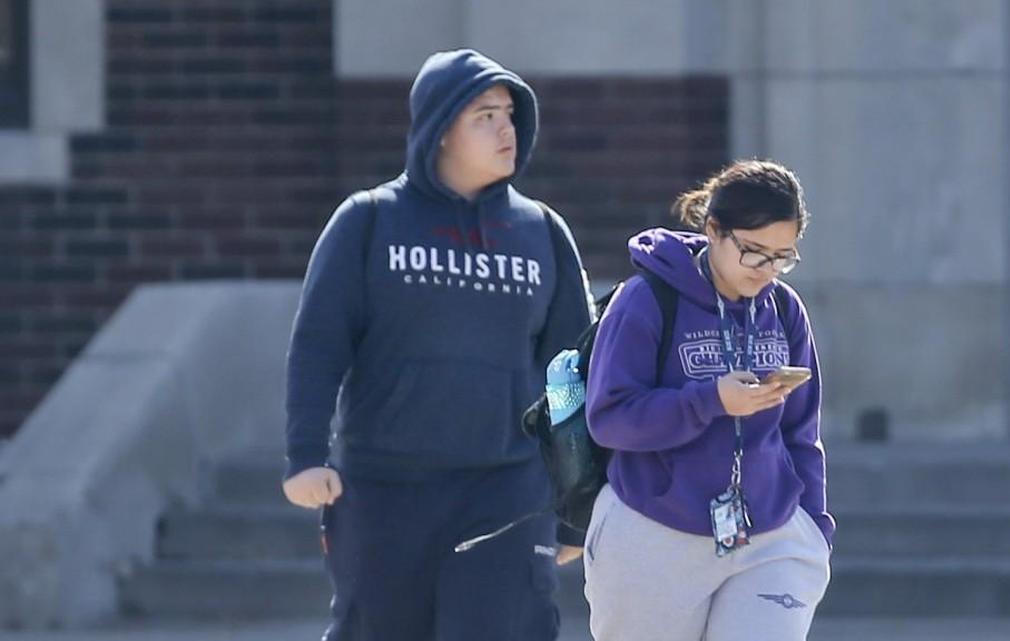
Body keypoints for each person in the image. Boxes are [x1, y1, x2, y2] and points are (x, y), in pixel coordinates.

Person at [282, 49, 593, 641]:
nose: (507, 130)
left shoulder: (544, 232)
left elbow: (571, 377)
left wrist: (577, 500)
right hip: (384, 489)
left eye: (509, 114)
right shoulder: (368, 221)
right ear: (440, 129)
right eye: (485, 116)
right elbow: (319, 345)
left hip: (507, 489)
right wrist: (305, 455)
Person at [582, 159, 833, 641]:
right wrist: (710, 400)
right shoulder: (647, 299)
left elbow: (801, 431)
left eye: (784, 256)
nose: (768, 270)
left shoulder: (783, 308)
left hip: (771, 536)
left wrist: (816, 527)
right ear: (715, 230)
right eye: (754, 252)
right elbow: (610, 418)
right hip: (652, 532)